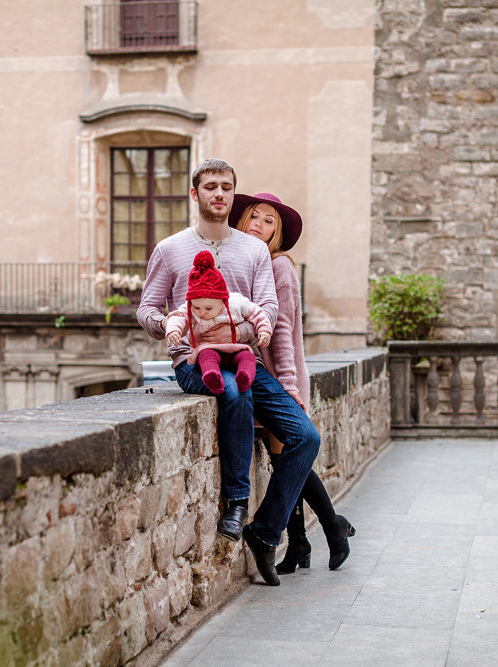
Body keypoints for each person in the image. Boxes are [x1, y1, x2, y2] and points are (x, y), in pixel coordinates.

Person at [137, 158, 321, 586]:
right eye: (210, 187)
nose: (218, 194)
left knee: (305, 437)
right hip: (192, 362)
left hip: (245, 359)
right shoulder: (169, 249)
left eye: (226, 187)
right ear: (195, 194)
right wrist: (168, 324)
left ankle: (264, 529)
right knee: (235, 395)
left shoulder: (254, 250)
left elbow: (269, 308)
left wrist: (234, 328)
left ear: (232, 195)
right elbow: (147, 308)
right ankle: (238, 502)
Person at [232, 192, 357, 572]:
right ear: (243, 222)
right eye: (255, 216)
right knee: (283, 460)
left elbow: (282, 328)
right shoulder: (248, 263)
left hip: (280, 374)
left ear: (278, 234)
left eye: (270, 221)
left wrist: (286, 382)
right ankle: (301, 544)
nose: (259, 224)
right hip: (263, 374)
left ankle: (332, 530)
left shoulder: (279, 267)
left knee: (290, 458)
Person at [165, 251, 272, 395]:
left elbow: (256, 313)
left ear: (222, 301)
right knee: (205, 356)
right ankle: (211, 377)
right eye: (197, 307)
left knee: (247, 357)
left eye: (208, 308)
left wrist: (264, 329)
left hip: (236, 347)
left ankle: (245, 377)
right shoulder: (191, 307)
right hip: (208, 348)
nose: (202, 312)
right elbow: (177, 317)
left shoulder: (235, 303)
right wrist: (173, 330)